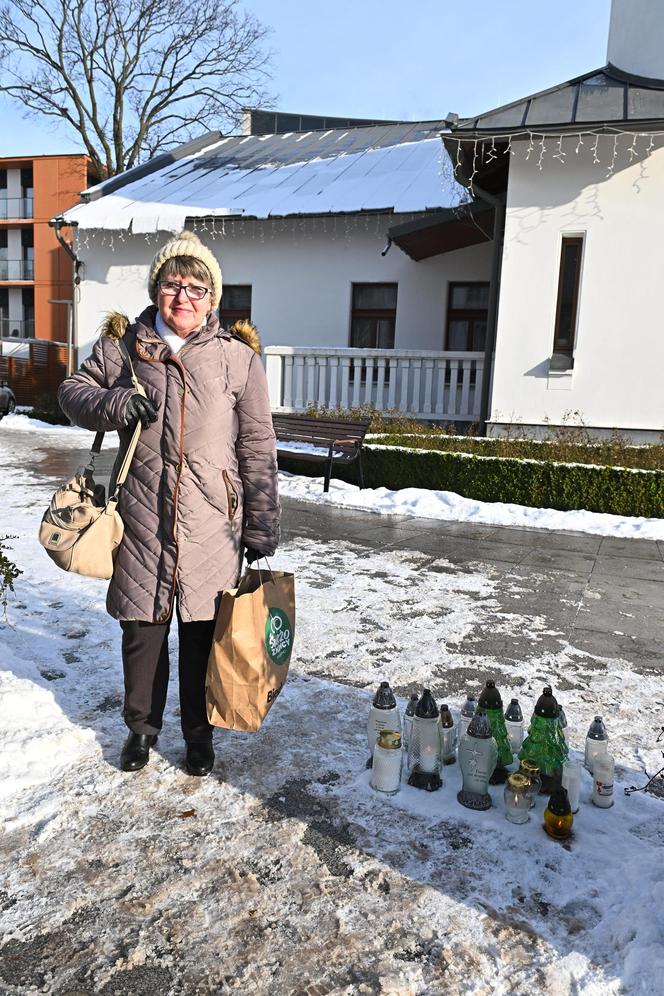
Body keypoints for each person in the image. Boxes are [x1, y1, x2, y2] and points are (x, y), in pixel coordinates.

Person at [58, 231, 280, 776]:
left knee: (204, 635)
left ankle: (199, 735)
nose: (184, 296)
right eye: (172, 284)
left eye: (197, 287)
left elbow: (257, 445)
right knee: (143, 631)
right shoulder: (122, 348)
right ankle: (140, 730)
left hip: (212, 522)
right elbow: (72, 393)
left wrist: (260, 524)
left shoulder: (237, 359)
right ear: (157, 289)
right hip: (142, 517)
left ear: (213, 297)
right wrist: (114, 401)